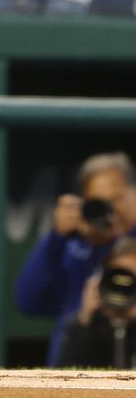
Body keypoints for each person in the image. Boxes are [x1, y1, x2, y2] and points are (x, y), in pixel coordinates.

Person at [16, 152, 136, 365]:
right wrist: (56, 238)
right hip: (78, 365)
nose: (110, 211)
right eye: (100, 203)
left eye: (116, 199)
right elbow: (28, 301)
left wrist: (119, 241)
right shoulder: (76, 251)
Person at [57, 238, 136, 369]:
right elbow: (65, 375)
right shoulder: (89, 326)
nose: (123, 288)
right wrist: (85, 319)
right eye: (118, 277)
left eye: (131, 280)